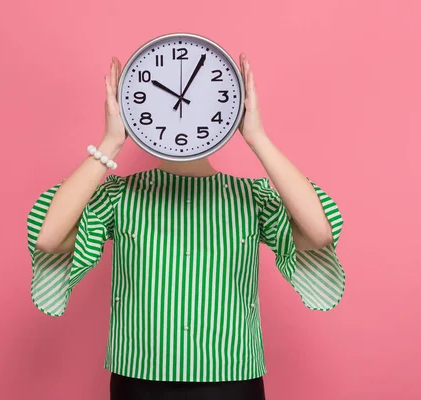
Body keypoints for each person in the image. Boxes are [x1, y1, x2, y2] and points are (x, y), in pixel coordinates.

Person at [26, 54, 345, 400]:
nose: (181, 111)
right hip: (139, 379)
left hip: (232, 378)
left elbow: (319, 233)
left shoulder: (251, 197)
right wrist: (111, 141)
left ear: (226, 111)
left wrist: (256, 136)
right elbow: (48, 237)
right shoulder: (119, 196)